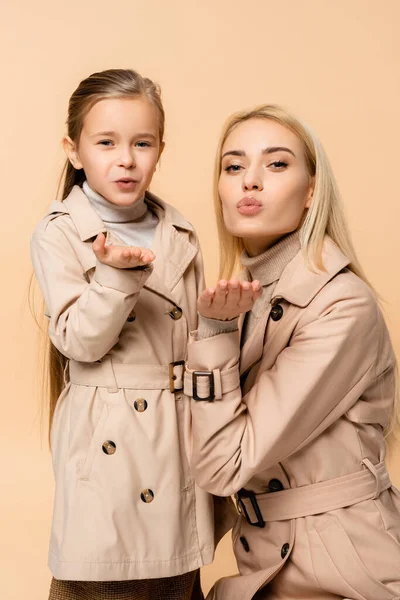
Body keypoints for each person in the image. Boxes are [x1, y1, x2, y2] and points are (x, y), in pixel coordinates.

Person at [183, 104, 400, 600]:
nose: (250, 181)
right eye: (233, 166)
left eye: (276, 164)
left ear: (311, 192)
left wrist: (214, 332)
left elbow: (223, 465)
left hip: (345, 568)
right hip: (263, 561)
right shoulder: (243, 297)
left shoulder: (343, 305)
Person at [31, 68, 228, 600]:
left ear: (161, 149)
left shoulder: (179, 232)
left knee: (173, 576)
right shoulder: (61, 231)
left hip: (175, 436)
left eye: (142, 142)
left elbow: (194, 342)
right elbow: (79, 340)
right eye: (106, 142)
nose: (127, 158)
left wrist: (224, 322)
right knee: (103, 578)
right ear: (74, 151)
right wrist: (116, 276)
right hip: (107, 438)